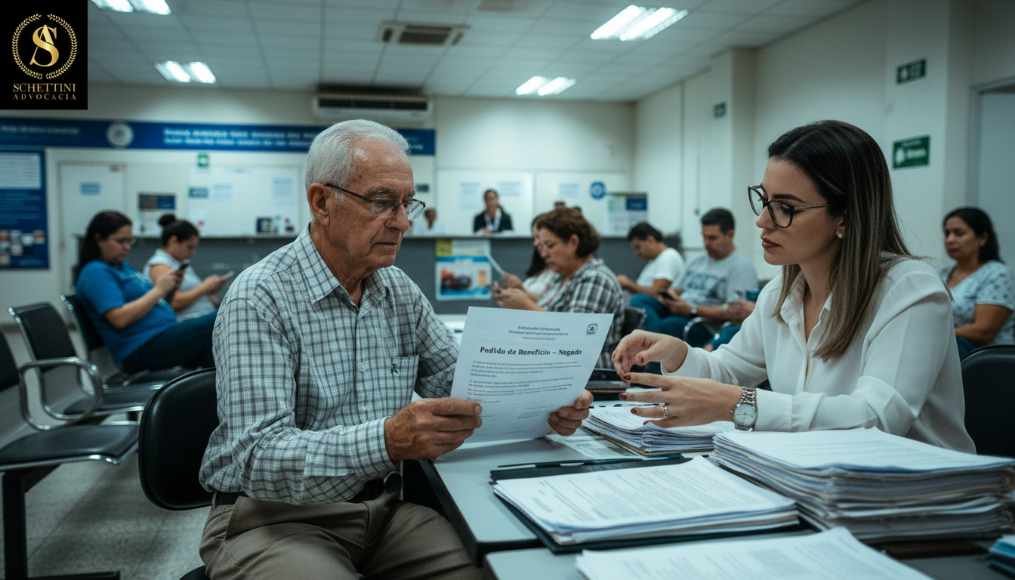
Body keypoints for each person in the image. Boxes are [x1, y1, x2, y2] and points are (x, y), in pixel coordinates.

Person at [198, 119, 591, 580]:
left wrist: (547, 399)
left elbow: (457, 382)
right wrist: (386, 441)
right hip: (274, 518)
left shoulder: (395, 289)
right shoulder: (260, 296)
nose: (403, 222)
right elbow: (256, 457)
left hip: (382, 511)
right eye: (383, 202)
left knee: (490, 570)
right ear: (322, 202)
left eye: (408, 204)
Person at [612, 120, 974, 452]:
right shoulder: (781, 292)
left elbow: (877, 420)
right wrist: (679, 354)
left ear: (845, 216)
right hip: (816, 480)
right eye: (765, 200)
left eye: (786, 208)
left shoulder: (908, 290)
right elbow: (728, 371)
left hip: (917, 501)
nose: (762, 220)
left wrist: (741, 405)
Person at [74, 211, 216, 373]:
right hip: (139, 347)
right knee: (220, 319)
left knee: (213, 347)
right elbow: (119, 318)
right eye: (121, 241)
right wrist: (158, 290)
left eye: (130, 241)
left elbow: (154, 305)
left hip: (161, 334)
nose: (127, 248)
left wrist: (170, 289)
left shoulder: (122, 267)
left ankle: (207, 390)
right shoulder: (95, 272)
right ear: (99, 239)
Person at [494, 208, 623, 367]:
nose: (544, 254)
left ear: (573, 243)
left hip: (585, 374)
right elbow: (549, 313)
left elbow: (577, 340)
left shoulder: (595, 279)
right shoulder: (561, 277)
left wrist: (526, 306)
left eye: (550, 245)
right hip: (558, 366)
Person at [632, 208, 757, 343]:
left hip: (703, 322)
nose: (706, 243)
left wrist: (692, 309)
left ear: (730, 235)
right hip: (679, 309)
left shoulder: (741, 267)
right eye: (704, 237)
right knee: (639, 301)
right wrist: (670, 297)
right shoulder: (697, 262)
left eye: (712, 238)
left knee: (665, 327)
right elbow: (677, 289)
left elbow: (735, 312)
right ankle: (650, 340)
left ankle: (650, 341)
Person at [940, 207, 1014, 357]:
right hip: (947, 349)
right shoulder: (942, 274)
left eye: (958, 233)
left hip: (986, 359)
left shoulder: (997, 273)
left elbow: (984, 330)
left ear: (982, 239)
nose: (950, 240)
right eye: (947, 233)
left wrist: (937, 333)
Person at [144, 214, 228, 320]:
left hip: (201, 315)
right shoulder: (159, 265)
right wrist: (205, 287)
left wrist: (209, 291)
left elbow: (193, 294)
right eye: (189, 247)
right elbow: (174, 302)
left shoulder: (179, 263)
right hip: (186, 320)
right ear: (173, 241)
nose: (192, 253)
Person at [495, 214, 557, 301]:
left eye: (539, 237)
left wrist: (521, 289)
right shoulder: (540, 269)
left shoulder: (559, 272)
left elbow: (549, 305)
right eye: (534, 237)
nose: (535, 243)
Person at [616, 222, 685, 298]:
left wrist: (628, 284)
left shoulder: (668, 256)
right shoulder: (655, 260)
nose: (636, 253)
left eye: (638, 247)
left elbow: (655, 293)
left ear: (650, 240)